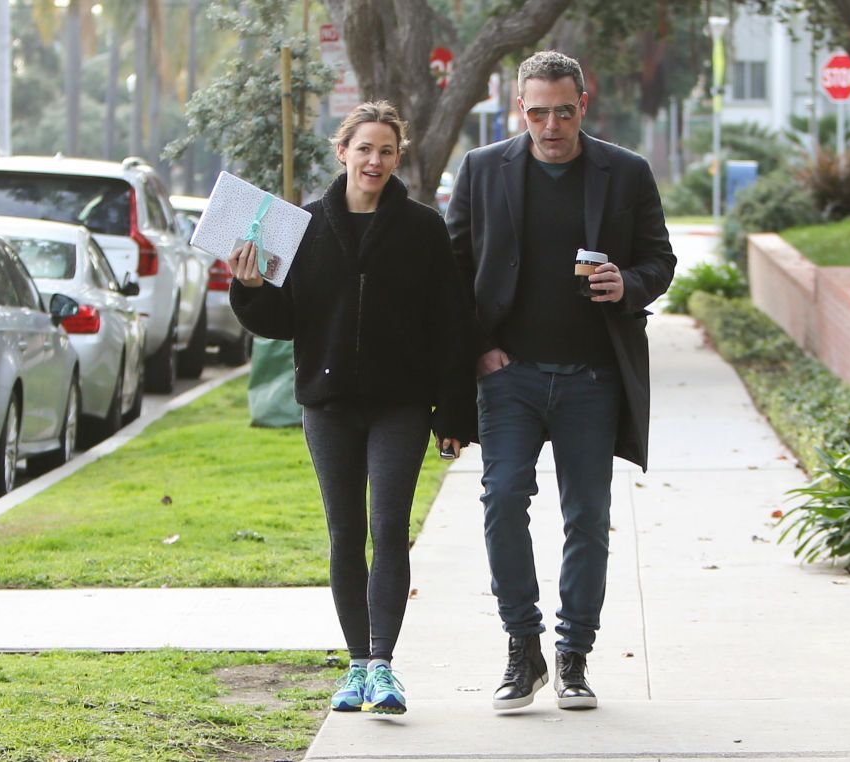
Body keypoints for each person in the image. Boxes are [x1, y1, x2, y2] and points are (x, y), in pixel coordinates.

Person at [228, 101, 476, 716]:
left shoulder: (422, 228)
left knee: (388, 527)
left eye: (387, 151)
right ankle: (356, 667)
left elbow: (453, 324)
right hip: (329, 404)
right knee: (344, 533)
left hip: (402, 404)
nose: (375, 160)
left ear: (398, 158)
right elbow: (281, 322)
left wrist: (453, 414)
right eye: (364, 148)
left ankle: (385, 666)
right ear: (342, 152)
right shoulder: (303, 227)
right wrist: (250, 286)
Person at [446, 51, 676, 711]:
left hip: (591, 379)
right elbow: (455, 269)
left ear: (585, 104)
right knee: (501, 500)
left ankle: (574, 654)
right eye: (538, 111)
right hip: (509, 377)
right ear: (520, 108)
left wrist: (626, 284)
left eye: (564, 111)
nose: (551, 125)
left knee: (588, 518)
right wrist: (481, 347)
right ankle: (524, 647)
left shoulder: (624, 172)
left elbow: (659, 259)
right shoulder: (483, 169)